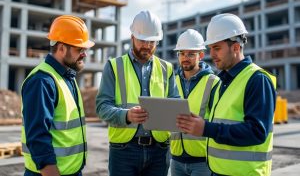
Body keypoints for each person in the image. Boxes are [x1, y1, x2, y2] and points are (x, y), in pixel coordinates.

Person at [176, 13, 276, 176]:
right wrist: (199, 123)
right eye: (210, 49)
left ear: (236, 47)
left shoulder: (257, 80)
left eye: (217, 48)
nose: (212, 55)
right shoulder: (224, 81)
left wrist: (206, 128)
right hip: (219, 171)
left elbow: (257, 132)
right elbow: (224, 121)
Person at [96, 10, 180, 176]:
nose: (147, 46)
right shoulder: (114, 66)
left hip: (159, 150)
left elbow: (175, 102)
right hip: (124, 151)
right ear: (132, 37)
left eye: (152, 41)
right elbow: (102, 107)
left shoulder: (167, 68)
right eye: (143, 40)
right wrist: (126, 116)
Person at [21, 15, 95, 176]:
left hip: (71, 171)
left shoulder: (66, 77)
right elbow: (37, 137)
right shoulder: (42, 81)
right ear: (61, 48)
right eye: (79, 49)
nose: (84, 54)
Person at [170, 29, 219, 176]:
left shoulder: (213, 82)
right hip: (176, 159)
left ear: (201, 55)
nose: (185, 58)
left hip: (202, 161)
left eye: (191, 54)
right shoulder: (171, 81)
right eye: (182, 53)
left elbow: (218, 120)